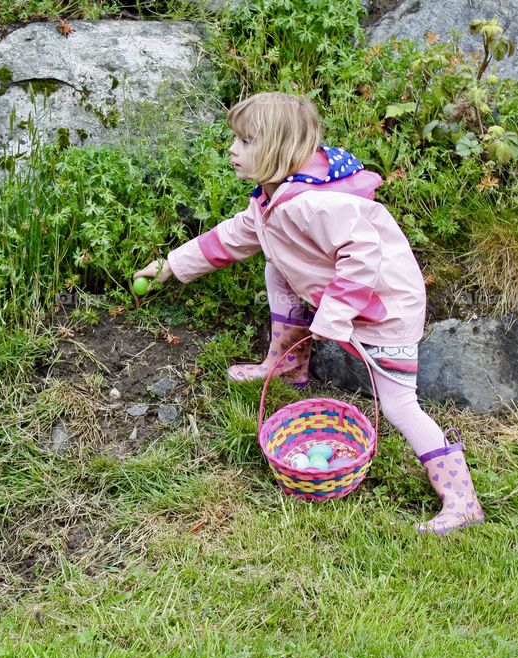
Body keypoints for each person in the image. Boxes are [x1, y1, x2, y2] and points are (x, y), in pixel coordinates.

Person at [134, 92, 483, 535]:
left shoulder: (313, 204)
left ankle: (461, 500)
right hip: (343, 296)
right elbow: (235, 235)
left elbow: (363, 252)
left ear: (277, 150)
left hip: (383, 309)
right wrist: (169, 267)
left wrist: (335, 314)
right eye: (235, 140)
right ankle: (286, 367)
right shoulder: (273, 198)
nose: (232, 150)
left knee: (398, 404)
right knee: (274, 261)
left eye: (244, 141)